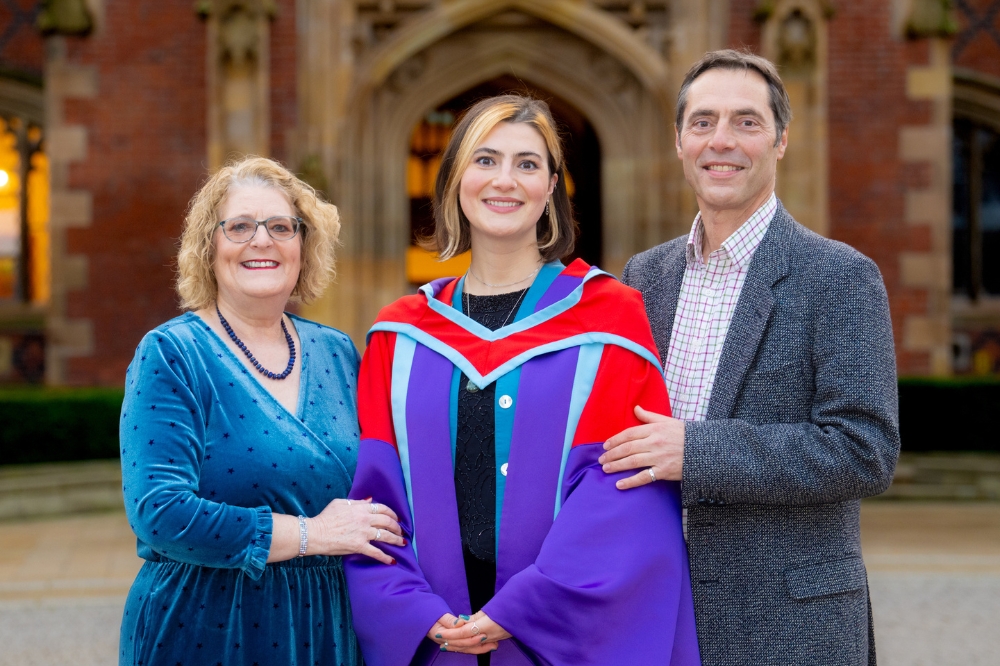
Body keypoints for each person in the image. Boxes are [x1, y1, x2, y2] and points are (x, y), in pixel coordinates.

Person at [343, 95, 701, 666]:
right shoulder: (400, 336)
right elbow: (373, 497)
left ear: (552, 187)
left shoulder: (610, 319)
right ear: (455, 179)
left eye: (527, 164)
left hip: (555, 635)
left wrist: (520, 610)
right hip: (435, 636)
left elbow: (626, 490)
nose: (504, 180)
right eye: (484, 160)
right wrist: (411, 608)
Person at [600, 50, 900, 665]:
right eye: (703, 122)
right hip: (653, 611)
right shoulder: (644, 277)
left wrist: (697, 451)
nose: (722, 142)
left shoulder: (840, 276)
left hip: (790, 625)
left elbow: (865, 450)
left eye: (747, 122)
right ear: (679, 141)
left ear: (781, 140)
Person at [118, 156, 403, 666]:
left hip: (326, 625)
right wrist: (312, 535)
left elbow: (395, 471)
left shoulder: (337, 351)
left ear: (303, 246)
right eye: (240, 227)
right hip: (207, 624)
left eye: (280, 227)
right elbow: (159, 514)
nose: (262, 241)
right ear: (210, 247)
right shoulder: (172, 353)